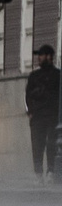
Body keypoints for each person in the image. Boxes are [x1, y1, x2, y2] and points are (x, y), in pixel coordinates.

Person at [29, 46, 60, 181]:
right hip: (37, 116)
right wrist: (30, 112)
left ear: (49, 56)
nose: (39, 58)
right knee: (37, 144)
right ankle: (38, 173)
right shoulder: (34, 75)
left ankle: (51, 171)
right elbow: (27, 95)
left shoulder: (58, 76)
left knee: (51, 143)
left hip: (53, 116)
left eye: (41, 55)